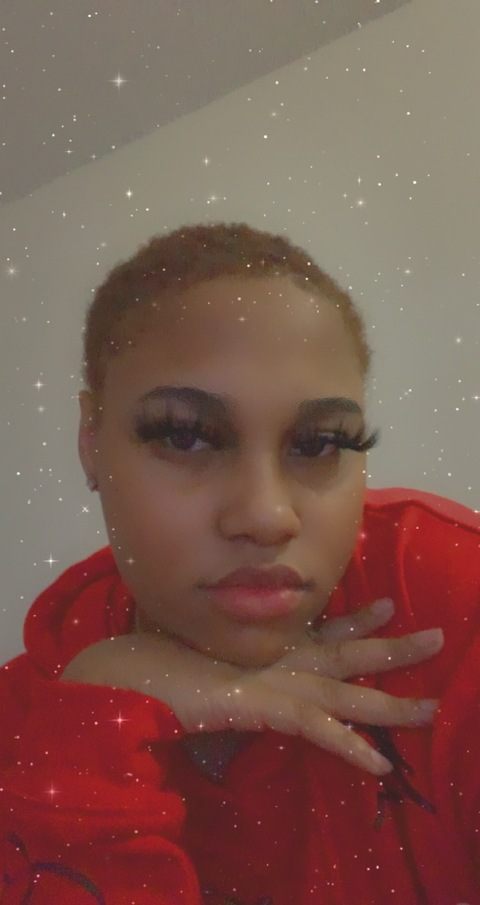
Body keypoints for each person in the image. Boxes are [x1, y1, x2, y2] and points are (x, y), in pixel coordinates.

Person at [0, 222, 479, 905]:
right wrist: (91, 723)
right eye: (185, 436)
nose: (266, 515)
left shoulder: (446, 598)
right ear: (90, 442)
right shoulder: (25, 727)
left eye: (319, 443)